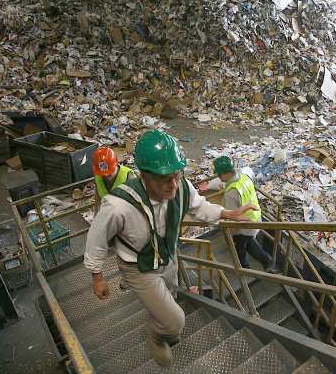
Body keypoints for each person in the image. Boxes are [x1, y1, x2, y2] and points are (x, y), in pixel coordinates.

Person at [84, 130, 256, 367]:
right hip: (138, 266)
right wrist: (97, 276)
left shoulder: (182, 187)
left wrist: (226, 213)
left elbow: (199, 207)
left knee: (172, 294)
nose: (173, 185)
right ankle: (155, 334)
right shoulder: (118, 205)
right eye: (164, 179)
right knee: (175, 321)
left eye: (177, 175)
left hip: (167, 256)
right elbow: (96, 238)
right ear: (144, 176)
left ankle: (164, 322)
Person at [199, 156, 277, 274]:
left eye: (220, 175)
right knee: (248, 242)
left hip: (243, 225)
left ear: (228, 173)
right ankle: (265, 262)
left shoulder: (231, 194)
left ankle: (245, 268)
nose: (218, 177)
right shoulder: (244, 177)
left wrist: (229, 234)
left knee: (240, 246)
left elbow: (232, 218)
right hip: (255, 217)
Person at [92, 146, 136, 213]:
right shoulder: (98, 176)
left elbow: (136, 205)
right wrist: (97, 214)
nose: (106, 175)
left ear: (116, 163)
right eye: (103, 174)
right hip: (108, 212)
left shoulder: (129, 176)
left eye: (109, 173)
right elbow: (98, 194)